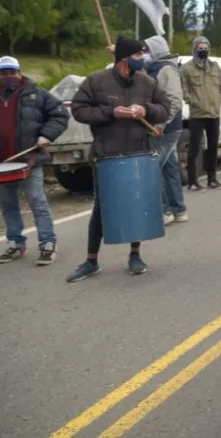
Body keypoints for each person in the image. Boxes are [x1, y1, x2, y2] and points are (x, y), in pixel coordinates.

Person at [65, 37, 171, 282]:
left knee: (135, 204)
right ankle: (91, 260)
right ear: (125, 59)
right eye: (138, 55)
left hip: (138, 154)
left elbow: (165, 108)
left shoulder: (148, 82)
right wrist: (109, 113)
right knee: (102, 208)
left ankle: (135, 255)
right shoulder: (96, 81)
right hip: (106, 155)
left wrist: (147, 111)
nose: (142, 59)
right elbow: (78, 110)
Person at [0, 56, 69, 265]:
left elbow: (59, 114)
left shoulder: (38, 94)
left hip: (29, 160)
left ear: (19, 73)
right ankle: (15, 244)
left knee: (37, 202)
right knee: (7, 205)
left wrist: (46, 136)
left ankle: (48, 243)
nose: (8, 77)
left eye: (12, 72)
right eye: (3, 73)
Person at [143, 35, 188, 225]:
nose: (145, 54)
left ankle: (164, 210)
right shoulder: (154, 68)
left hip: (165, 128)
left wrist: (161, 124)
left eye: (147, 50)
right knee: (170, 169)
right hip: (165, 127)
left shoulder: (166, 69)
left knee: (153, 169)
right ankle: (179, 210)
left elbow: (175, 100)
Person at [181, 36, 221, 191]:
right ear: (195, 49)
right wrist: (194, 101)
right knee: (194, 149)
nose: (203, 51)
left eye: (206, 48)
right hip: (197, 114)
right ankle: (193, 182)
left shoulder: (214, 67)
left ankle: (212, 179)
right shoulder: (187, 68)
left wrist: (219, 101)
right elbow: (184, 90)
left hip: (213, 113)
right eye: (200, 48)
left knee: (213, 147)